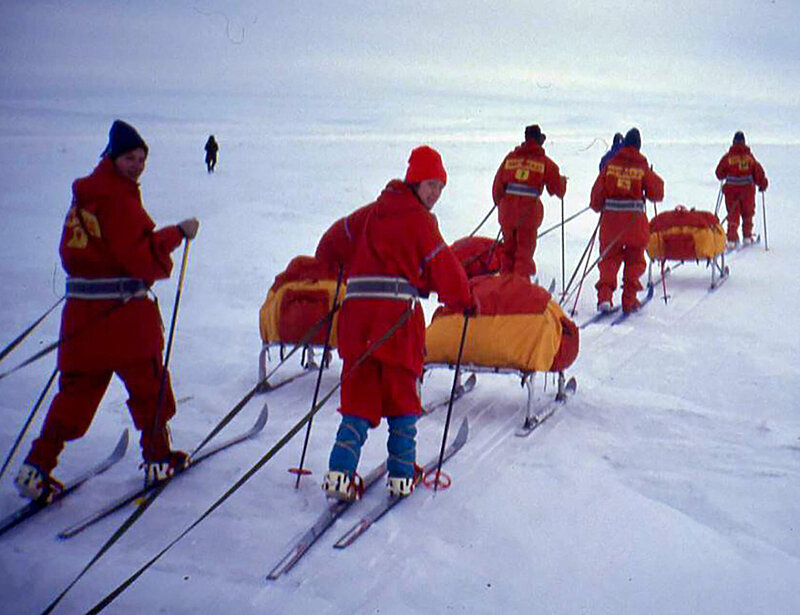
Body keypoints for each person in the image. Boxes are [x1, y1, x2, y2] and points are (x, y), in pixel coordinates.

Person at [14, 120, 200, 501]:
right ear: (112, 157)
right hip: (123, 317)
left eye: (142, 159)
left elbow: (80, 253)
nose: (137, 166)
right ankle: (158, 458)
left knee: (75, 394)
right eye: (130, 158)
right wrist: (178, 233)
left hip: (83, 317)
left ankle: (37, 467)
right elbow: (142, 257)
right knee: (149, 386)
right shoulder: (116, 199)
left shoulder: (85, 197)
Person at [322, 145, 474, 501]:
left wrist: (348, 268)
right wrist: (466, 300)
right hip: (396, 322)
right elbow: (445, 268)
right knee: (403, 396)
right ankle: (401, 475)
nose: (435, 193)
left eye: (441, 186)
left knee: (358, 397)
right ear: (414, 181)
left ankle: (340, 474)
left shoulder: (369, 215)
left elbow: (330, 244)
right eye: (431, 185)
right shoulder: (421, 221)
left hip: (356, 321)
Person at [590, 127, 664, 314]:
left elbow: (596, 196)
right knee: (634, 260)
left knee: (609, 259)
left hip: (611, 223)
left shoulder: (611, 165)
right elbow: (657, 193)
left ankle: (604, 298)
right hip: (634, 223)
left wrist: (599, 206)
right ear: (638, 146)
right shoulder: (641, 166)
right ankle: (629, 300)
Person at [492, 124, 567, 278]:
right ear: (540, 141)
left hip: (507, 213)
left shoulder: (510, 158)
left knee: (508, 252)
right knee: (523, 254)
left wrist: (500, 204)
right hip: (528, 215)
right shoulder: (543, 162)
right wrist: (563, 182)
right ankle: (520, 290)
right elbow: (557, 189)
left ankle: (505, 287)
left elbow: (497, 186)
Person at [714, 131, 768, 247]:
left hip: (731, 191)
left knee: (733, 214)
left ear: (733, 143)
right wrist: (763, 184)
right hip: (747, 191)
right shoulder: (750, 158)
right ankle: (747, 237)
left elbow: (719, 173)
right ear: (744, 143)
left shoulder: (728, 158)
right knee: (747, 213)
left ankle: (732, 239)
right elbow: (758, 173)